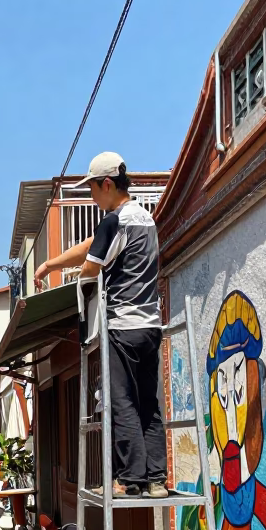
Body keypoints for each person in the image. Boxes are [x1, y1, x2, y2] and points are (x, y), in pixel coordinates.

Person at [34, 152, 168, 499]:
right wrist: (51, 263)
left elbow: (91, 267)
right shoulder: (145, 219)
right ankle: (155, 479)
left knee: (120, 400)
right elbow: (92, 245)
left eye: (92, 189)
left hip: (122, 323)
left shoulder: (113, 222)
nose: (91, 197)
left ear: (107, 184)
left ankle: (129, 479)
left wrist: (74, 279)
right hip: (151, 324)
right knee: (148, 403)